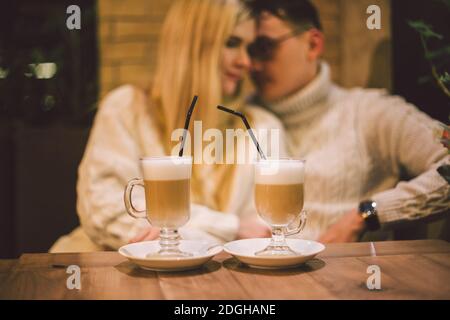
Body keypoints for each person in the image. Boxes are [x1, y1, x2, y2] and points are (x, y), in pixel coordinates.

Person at [50, 0, 284, 252]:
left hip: (211, 282)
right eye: (231, 43)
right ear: (190, 46)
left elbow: (264, 230)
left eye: (249, 48)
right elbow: (105, 212)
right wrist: (231, 227)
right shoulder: (127, 108)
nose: (246, 62)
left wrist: (177, 232)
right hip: (111, 272)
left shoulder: (261, 126)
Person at [244, 0, 450, 242]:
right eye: (246, 49)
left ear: (313, 44)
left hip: (347, 273)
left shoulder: (368, 112)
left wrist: (366, 215)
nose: (251, 64)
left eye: (265, 47)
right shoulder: (239, 120)